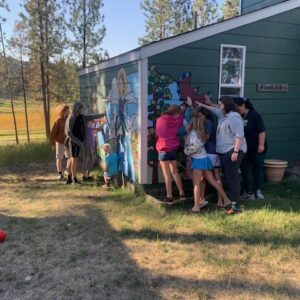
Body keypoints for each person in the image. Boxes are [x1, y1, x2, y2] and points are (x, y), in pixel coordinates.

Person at [197, 96, 247, 214]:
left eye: (220, 104)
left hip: (233, 151)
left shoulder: (234, 117)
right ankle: (233, 204)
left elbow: (239, 135)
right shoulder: (223, 115)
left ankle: (236, 207)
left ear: (226, 104)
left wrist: (235, 152)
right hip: (225, 152)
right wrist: (201, 105)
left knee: (232, 178)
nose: (219, 106)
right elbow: (213, 109)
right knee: (229, 178)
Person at [185, 109, 232, 213]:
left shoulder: (193, 134)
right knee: (213, 182)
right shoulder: (201, 131)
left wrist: (187, 151)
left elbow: (194, 147)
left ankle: (196, 207)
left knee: (196, 184)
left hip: (198, 161)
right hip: (204, 158)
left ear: (192, 122)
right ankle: (227, 200)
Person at [233, 97, 267, 200]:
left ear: (243, 105)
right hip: (244, 149)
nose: (236, 110)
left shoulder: (254, 115)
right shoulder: (237, 116)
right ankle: (249, 192)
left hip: (256, 148)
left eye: (237, 108)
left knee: (258, 168)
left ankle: (258, 190)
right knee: (245, 169)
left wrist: (261, 145)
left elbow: (262, 131)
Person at [65, 101, 105, 185]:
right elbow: (68, 132)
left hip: (79, 142)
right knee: (74, 159)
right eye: (81, 108)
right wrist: (77, 141)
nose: (82, 110)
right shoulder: (71, 117)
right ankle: (74, 179)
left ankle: (70, 178)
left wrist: (103, 114)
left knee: (73, 159)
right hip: (73, 142)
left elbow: (92, 116)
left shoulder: (82, 117)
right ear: (77, 108)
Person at [155, 104, 186, 204]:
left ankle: (169, 196)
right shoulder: (177, 121)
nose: (179, 115)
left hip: (163, 149)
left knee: (166, 174)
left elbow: (157, 133)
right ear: (176, 113)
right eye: (178, 114)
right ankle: (182, 193)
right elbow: (180, 119)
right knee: (175, 172)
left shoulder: (160, 120)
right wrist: (183, 110)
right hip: (173, 149)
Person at [198, 107, 225, 208]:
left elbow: (207, 137)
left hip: (210, 152)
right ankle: (220, 200)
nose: (199, 118)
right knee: (216, 176)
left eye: (200, 116)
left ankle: (202, 199)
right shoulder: (208, 122)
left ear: (205, 115)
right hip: (214, 151)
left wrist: (196, 143)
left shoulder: (208, 123)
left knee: (203, 177)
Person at [50, 104, 71, 180]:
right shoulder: (58, 120)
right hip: (60, 142)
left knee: (70, 157)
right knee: (59, 158)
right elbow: (53, 133)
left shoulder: (69, 119)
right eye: (67, 110)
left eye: (69, 110)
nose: (69, 112)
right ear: (63, 111)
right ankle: (60, 173)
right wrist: (53, 144)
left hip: (68, 142)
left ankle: (67, 170)